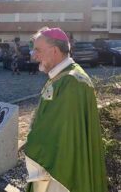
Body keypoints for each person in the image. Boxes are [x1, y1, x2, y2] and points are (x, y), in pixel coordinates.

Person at [24, 27, 107, 192]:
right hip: (62, 158)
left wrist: (31, 143)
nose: (34, 55)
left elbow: (59, 135)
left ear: (54, 51)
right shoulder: (64, 76)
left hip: (62, 169)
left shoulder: (70, 82)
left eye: (38, 50)